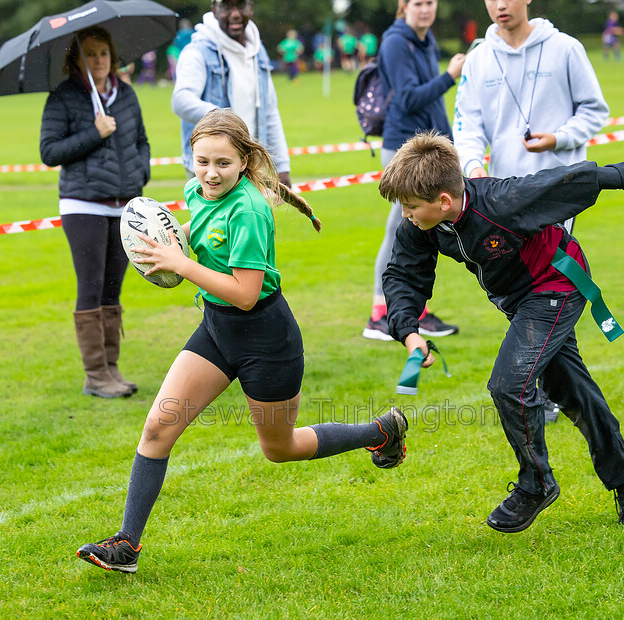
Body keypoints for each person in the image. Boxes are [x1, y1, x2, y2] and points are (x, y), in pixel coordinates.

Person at [75, 109, 409, 573]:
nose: (210, 174)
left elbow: (246, 294)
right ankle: (126, 546)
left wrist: (182, 263)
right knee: (157, 428)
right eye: (202, 161)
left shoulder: (250, 210)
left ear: (244, 162)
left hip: (265, 340)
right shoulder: (197, 190)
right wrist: (165, 238)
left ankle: (380, 432)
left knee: (280, 448)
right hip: (217, 328)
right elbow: (203, 234)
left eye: (223, 164)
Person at [380, 132, 624, 533]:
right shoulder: (423, 223)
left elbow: (572, 180)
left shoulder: (503, 201)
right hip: (521, 300)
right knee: (568, 387)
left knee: (509, 385)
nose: (407, 215)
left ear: (444, 202)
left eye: (411, 207)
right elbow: (403, 273)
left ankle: (535, 484)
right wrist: (409, 332)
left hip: (557, 282)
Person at [453, 0, 608, 423]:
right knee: (529, 292)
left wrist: (558, 138)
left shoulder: (565, 48)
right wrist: (473, 169)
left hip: (557, 191)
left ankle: (542, 388)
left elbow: (595, 111)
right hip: (500, 200)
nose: (500, 5)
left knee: (550, 285)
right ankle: (554, 389)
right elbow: (465, 122)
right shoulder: (479, 58)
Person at [39, 27, 150, 399]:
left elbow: (141, 141)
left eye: (103, 53)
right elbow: (50, 152)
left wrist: (141, 170)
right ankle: (95, 375)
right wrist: (94, 132)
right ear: (76, 59)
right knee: (90, 287)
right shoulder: (63, 97)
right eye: (89, 54)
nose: (98, 60)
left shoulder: (126, 94)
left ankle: (111, 369)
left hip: (125, 206)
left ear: (112, 56)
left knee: (113, 288)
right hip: (83, 204)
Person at [363, 0, 465, 342]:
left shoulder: (425, 39)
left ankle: (413, 310)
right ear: (403, 6)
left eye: (431, 2)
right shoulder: (395, 42)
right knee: (399, 228)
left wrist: (450, 145)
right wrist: (449, 76)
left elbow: (432, 103)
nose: (425, 9)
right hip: (402, 149)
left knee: (418, 231)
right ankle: (381, 312)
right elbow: (408, 99)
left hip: (427, 148)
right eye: (418, 3)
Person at [171, 0, 292, 188]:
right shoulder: (197, 51)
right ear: (214, 10)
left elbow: (270, 111)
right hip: (212, 169)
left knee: (253, 218)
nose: (235, 14)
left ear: (251, 7)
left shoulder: (257, 51)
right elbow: (180, 100)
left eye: (241, 5)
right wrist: (220, 117)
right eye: (227, 6)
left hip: (249, 164)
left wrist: (281, 166)